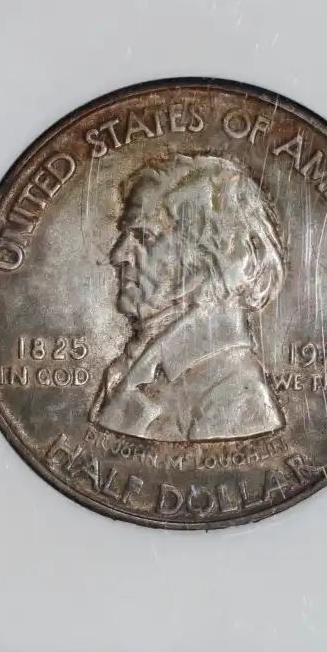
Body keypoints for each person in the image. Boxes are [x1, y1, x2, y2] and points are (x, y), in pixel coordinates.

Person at [91, 154, 286, 442]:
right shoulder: (147, 368)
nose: (118, 255)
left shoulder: (235, 398)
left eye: (144, 237)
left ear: (211, 258)